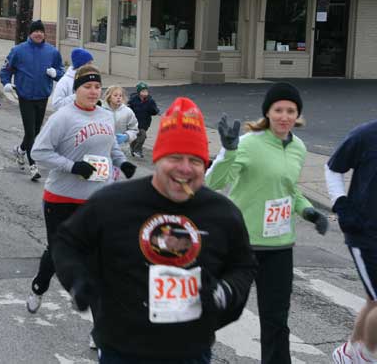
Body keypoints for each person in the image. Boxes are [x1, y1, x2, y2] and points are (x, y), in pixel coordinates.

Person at [52, 96, 257, 363]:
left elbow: (243, 264)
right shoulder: (114, 202)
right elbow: (67, 241)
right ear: (158, 158)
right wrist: (79, 281)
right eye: (175, 157)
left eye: (195, 161)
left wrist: (225, 294)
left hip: (191, 350)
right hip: (122, 348)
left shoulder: (222, 213)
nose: (184, 169)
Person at [206, 82, 328, 364]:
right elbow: (214, 182)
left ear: (298, 114)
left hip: (280, 246)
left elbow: (289, 190)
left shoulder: (298, 147)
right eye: (278, 110)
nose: (284, 116)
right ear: (268, 112)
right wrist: (229, 152)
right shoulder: (249, 143)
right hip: (243, 245)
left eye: (291, 110)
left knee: (276, 320)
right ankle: (183, 350)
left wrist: (310, 212)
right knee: (222, 310)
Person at [27, 65, 135, 317]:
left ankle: (99, 327)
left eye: (97, 87)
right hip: (61, 197)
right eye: (87, 87)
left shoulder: (105, 115)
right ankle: (39, 286)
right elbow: (38, 152)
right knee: (58, 252)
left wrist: (122, 162)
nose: (93, 91)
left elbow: (109, 147)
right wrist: (72, 166)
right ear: (76, 89)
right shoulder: (63, 117)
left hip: (96, 198)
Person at [326, 121, 377, 364]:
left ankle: (349, 352)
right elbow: (333, 168)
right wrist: (341, 205)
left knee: (373, 299)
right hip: (365, 233)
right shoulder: (366, 135)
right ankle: (368, 353)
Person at [0, 19, 64, 181]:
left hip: (43, 96)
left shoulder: (52, 51)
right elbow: (6, 69)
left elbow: (61, 71)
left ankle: (20, 150)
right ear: (30, 33)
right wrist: (6, 83)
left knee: (35, 131)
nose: (38, 34)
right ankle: (33, 164)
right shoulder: (19, 50)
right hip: (25, 96)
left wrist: (55, 73)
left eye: (41, 31)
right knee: (30, 131)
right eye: (35, 31)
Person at [103, 85, 139, 155]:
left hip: (122, 149)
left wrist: (127, 136)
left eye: (120, 95)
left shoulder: (128, 112)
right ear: (109, 97)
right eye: (115, 95)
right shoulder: (101, 110)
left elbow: (134, 129)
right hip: (104, 149)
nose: (118, 97)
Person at [128, 81, 160, 159]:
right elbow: (128, 109)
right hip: (134, 122)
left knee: (139, 136)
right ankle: (137, 150)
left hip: (145, 122)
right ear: (139, 92)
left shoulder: (150, 101)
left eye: (146, 91)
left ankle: (134, 148)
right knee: (142, 136)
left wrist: (154, 110)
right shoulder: (133, 100)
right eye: (143, 91)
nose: (145, 92)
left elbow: (154, 111)